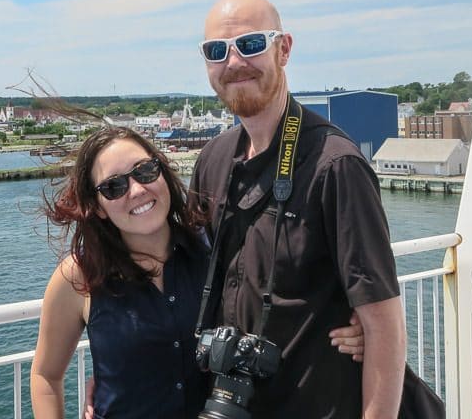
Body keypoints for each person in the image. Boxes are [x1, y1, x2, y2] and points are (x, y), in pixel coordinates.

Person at [29, 125, 367, 419]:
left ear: (163, 173)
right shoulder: (79, 277)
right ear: (98, 207)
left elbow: (281, 295)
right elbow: (46, 375)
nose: (136, 190)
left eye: (145, 171)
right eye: (114, 187)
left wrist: (352, 326)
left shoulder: (212, 251)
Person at [188, 0, 407, 418]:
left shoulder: (336, 165)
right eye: (217, 51)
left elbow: (385, 326)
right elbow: (175, 268)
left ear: (283, 49)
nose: (233, 63)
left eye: (250, 45)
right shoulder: (212, 160)